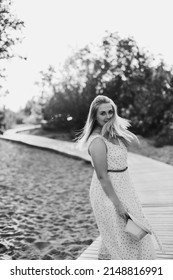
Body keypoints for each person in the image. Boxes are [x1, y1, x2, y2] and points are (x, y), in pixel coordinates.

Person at [77, 95, 161, 260]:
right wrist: (118, 206)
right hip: (107, 194)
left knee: (135, 233)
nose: (107, 116)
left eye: (110, 112)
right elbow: (102, 177)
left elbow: (136, 142)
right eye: (103, 113)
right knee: (123, 236)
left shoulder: (113, 135)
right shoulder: (97, 142)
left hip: (125, 188)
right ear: (94, 116)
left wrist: (117, 128)